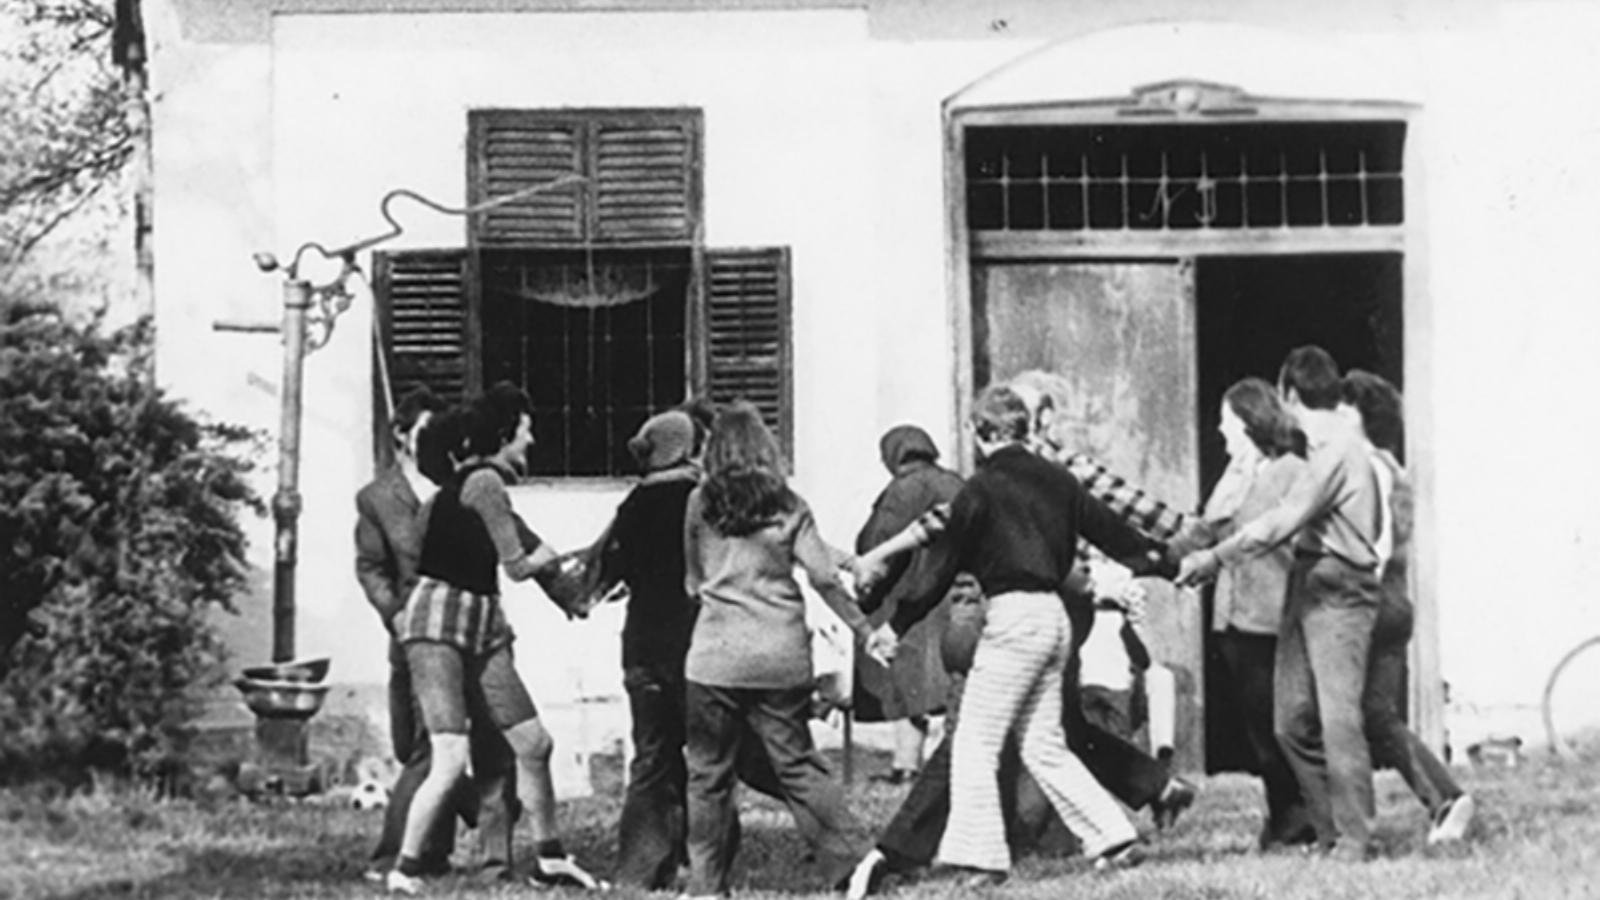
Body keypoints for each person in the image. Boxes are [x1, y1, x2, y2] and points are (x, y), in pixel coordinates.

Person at [875, 385, 1157, 887]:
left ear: (979, 432)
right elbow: (1119, 536)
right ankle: (1114, 837)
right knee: (1043, 743)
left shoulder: (981, 488)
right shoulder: (1060, 481)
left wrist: (897, 623)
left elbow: (941, 566)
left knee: (974, 742)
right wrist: (1170, 563)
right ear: (1024, 428)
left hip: (1012, 618)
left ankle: (982, 858)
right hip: (1055, 619)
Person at [384, 382, 603, 894]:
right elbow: (519, 565)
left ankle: (550, 858)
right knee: (449, 756)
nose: (532, 441)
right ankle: (405, 870)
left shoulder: (462, 491)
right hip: (439, 625)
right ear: (504, 435)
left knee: (534, 744)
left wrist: (568, 588)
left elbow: (518, 544)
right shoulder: (485, 483)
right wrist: (553, 557)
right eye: (526, 431)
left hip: (481, 624)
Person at [1179, 346, 1387, 861]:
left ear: (1289, 393)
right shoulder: (1316, 448)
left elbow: (1282, 521)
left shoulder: (1336, 452)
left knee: (1337, 719)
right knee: (1289, 722)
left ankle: (1354, 837)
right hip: (1307, 580)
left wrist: (1214, 558)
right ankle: (1326, 830)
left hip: (1340, 588)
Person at [680, 401, 895, 898]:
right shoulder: (791, 505)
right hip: (781, 657)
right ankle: (854, 859)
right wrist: (865, 631)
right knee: (796, 764)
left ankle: (706, 887)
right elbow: (824, 577)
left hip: (714, 658)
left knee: (708, 776)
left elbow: (692, 581)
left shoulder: (698, 503)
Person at [354, 388, 519, 881]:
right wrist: (396, 615)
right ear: (402, 436)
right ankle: (418, 851)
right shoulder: (378, 497)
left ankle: (492, 860)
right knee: (421, 749)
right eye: (426, 430)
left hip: (476, 629)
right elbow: (371, 567)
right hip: (419, 634)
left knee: (491, 743)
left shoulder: (468, 483)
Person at [1172, 377, 1314, 849]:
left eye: (1227, 420)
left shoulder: (1294, 471)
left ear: (1250, 421)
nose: (1220, 429)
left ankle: (1303, 820)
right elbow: (1208, 529)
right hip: (1234, 615)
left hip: (1274, 613)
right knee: (1258, 727)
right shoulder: (1237, 475)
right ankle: (1287, 819)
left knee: (1283, 725)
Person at [1340, 370, 1475, 846]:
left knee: (1342, 714)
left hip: (1373, 597)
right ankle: (1445, 797)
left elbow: (1375, 541)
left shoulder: (1367, 466)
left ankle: (1341, 821)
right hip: (1396, 599)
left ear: (1359, 416)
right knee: (1377, 715)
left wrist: (1360, 586)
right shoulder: (1394, 467)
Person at [854, 425, 963, 784]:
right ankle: (931, 766)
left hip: (909, 600)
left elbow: (876, 541)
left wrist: (867, 587)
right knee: (946, 690)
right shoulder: (955, 482)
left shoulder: (903, 489)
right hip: (952, 598)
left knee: (904, 686)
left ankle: (906, 764)